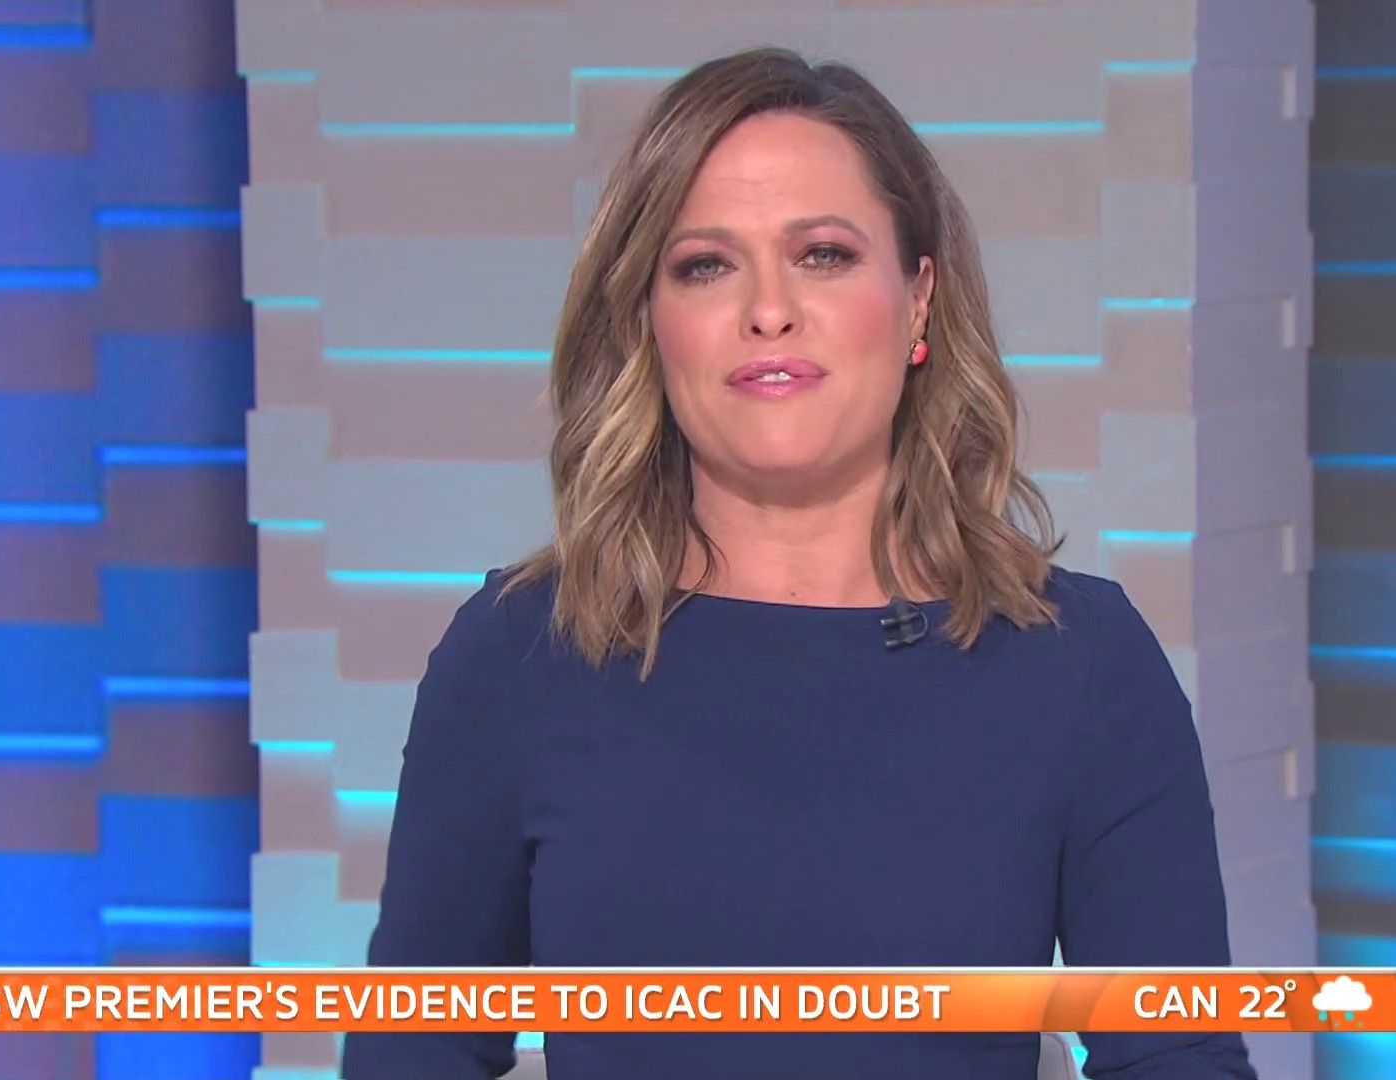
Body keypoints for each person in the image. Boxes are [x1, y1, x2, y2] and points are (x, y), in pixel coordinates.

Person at [340, 45, 1256, 1080]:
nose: (768, 309)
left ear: (918, 300)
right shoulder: (520, 654)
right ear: (648, 321)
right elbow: (413, 1050)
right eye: (706, 265)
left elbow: (1176, 1057)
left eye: (822, 254)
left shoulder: (1079, 661)